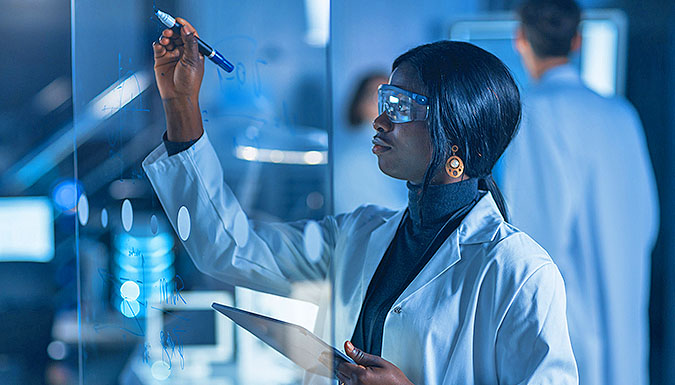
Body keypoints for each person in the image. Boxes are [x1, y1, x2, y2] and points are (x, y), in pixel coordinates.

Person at [144, 18, 578, 384]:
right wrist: (180, 103)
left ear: (456, 143)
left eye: (401, 105)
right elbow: (227, 250)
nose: (380, 118)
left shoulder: (519, 273)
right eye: (385, 99)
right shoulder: (360, 233)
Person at [495, 1, 659, 384]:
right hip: (625, 321)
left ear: (520, 39)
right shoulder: (622, 114)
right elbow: (648, 222)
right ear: (578, 40)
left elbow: (534, 241)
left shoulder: (535, 113)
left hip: (570, 331)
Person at [334, 72, 408, 213]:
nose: (385, 106)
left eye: (391, 98)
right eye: (377, 98)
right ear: (359, 104)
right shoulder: (356, 156)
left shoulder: (397, 146)